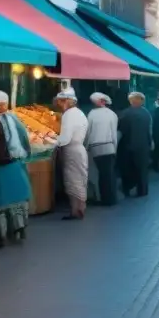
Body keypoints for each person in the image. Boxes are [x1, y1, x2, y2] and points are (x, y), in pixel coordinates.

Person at [0, 91, 32, 248]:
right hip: (16, 165)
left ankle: (1, 237)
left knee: (0, 202)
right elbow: (24, 138)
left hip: (2, 166)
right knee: (17, 200)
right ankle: (19, 230)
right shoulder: (14, 118)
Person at [54, 89, 89, 220]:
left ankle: (76, 211)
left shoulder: (68, 115)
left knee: (72, 180)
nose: (59, 104)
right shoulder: (79, 113)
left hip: (72, 151)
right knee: (80, 179)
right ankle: (80, 208)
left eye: (60, 102)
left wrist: (53, 141)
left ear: (66, 102)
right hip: (80, 149)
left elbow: (65, 138)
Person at [86, 93, 119, 206]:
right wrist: (115, 148)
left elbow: (88, 132)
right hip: (109, 147)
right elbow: (114, 134)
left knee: (101, 173)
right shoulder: (112, 114)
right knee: (109, 173)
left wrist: (86, 146)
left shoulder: (91, 114)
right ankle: (111, 198)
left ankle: (103, 198)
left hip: (95, 148)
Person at [118, 92, 152, 197]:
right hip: (143, 146)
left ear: (131, 101)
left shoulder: (124, 113)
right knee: (142, 170)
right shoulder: (146, 114)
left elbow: (120, 130)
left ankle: (127, 189)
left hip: (127, 146)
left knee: (127, 168)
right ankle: (142, 190)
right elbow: (149, 131)